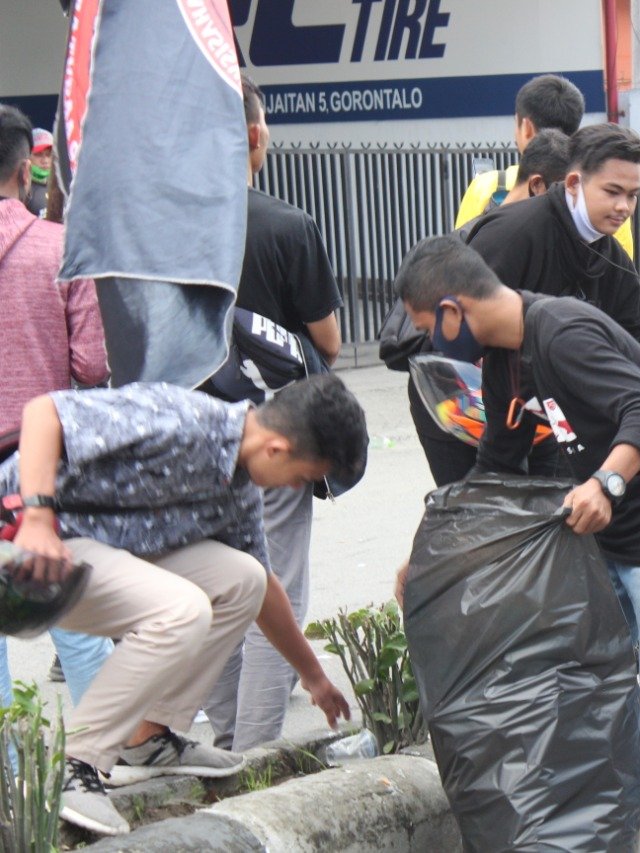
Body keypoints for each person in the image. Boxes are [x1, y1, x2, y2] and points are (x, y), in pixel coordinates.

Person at [395, 234, 640, 852]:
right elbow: (496, 465)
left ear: (452, 312)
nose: (431, 342)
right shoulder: (505, 358)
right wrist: (435, 554)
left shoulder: (561, 332)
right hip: (608, 532)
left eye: (428, 328)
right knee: (590, 685)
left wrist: (607, 483)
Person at [2, 376, 366, 835]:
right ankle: (75, 763)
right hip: (24, 549)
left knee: (244, 579)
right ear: (275, 448)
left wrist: (313, 677)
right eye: (304, 477)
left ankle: (146, 739)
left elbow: (265, 591)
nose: (296, 489)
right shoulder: (180, 419)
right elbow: (44, 412)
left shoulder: (238, 489)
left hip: (89, 554)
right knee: (183, 609)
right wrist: (36, 516)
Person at [201, 76, 345, 752]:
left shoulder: (162, 223)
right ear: (256, 136)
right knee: (272, 584)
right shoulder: (288, 225)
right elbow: (330, 342)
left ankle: (226, 732)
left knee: (210, 585)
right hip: (274, 432)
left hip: (189, 433)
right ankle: (254, 754)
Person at [0, 104, 113, 710]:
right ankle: (109, 753)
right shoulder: (62, 252)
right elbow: (94, 365)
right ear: (25, 171)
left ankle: (6, 783)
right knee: (77, 621)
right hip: (36, 469)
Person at [465, 123, 640, 477]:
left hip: (562, 419)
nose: (623, 207)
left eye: (632, 195)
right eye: (612, 191)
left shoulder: (610, 252)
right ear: (573, 184)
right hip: (481, 416)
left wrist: (616, 389)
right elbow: (461, 325)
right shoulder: (512, 234)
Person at [404, 128, 573, 487]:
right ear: (540, 186)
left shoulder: (569, 243)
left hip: (528, 407)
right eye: (568, 193)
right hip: (464, 400)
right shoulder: (497, 239)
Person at [454, 75, 635, 259]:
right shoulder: (603, 197)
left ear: (526, 127)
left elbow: (460, 253)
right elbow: (622, 268)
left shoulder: (488, 185)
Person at [24, 127, 52, 218]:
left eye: (49, 155)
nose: (45, 160)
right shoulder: (21, 189)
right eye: (39, 155)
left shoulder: (64, 186)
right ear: (27, 156)